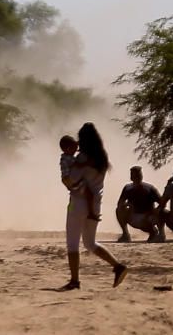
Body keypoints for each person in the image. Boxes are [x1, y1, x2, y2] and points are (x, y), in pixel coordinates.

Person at [59, 122, 128, 291]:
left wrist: (68, 175)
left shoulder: (82, 158)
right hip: (95, 204)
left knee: (72, 244)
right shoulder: (102, 159)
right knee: (90, 243)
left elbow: (72, 180)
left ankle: (75, 280)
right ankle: (117, 266)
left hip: (78, 203)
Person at [115, 166, 163, 242]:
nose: (136, 177)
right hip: (134, 217)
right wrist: (128, 205)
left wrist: (154, 212)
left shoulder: (149, 188)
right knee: (119, 210)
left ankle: (154, 233)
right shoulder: (128, 188)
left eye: (137, 175)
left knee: (160, 213)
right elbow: (120, 204)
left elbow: (162, 203)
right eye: (135, 175)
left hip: (147, 218)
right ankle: (125, 234)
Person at [60, 135, 97, 220]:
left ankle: (70, 211)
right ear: (68, 149)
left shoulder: (67, 157)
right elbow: (77, 166)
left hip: (70, 180)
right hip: (70, 180)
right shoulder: (67, 159)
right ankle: (91, 213)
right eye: (74, 148)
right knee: (89, 193)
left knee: (73, 197)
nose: (76, 150)